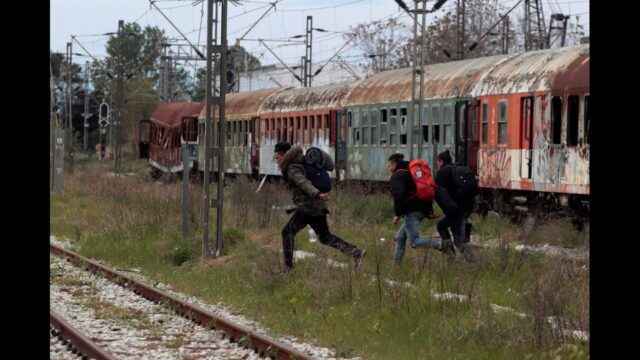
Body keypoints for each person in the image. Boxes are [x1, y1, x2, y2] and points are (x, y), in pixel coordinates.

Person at [274, 142, 366, 271]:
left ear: (284, 155)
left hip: (308, 207)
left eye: (277, 157)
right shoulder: (301, 161)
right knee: (325, 237)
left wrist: (316, 194)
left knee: (287, 232)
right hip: (316, 205)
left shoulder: (292, 167)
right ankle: (356, 252)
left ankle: (287, 268)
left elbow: (303, 183)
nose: (276, 160)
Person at [387, 153, 450, 265]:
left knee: (414, 241)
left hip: (412, 211)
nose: (388, 168)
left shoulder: (398, 175)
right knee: (400, 237)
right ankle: (396, 265)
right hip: (422, 210)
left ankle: (440, 244)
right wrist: (428, 211)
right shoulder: (413, 174)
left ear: (394, 164)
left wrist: (397, 214)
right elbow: (425, 189)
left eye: (389, 165)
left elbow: (399, 195)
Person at [434, 150, 478, 264]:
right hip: (465, 208)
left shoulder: (442, 174)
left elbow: (440, 195)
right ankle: (451, 255)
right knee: (441, 225)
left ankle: (474, 264)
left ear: (440, 161)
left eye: (437, 162)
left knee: (459, 242)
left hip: (456, 211)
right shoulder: (457, 169)